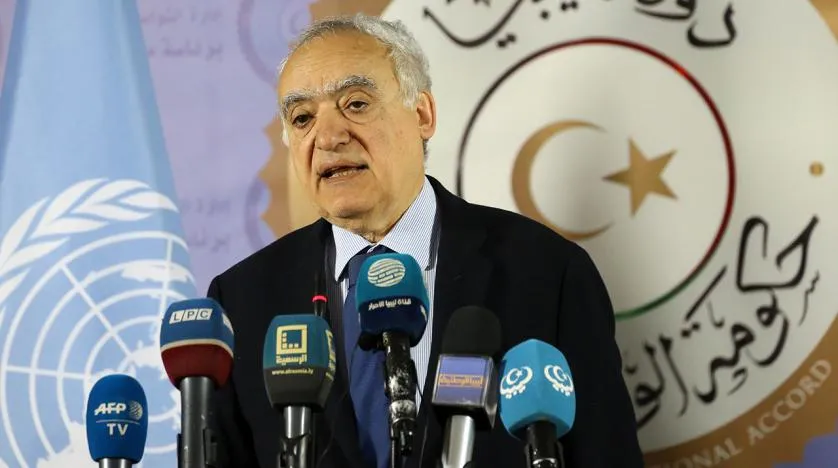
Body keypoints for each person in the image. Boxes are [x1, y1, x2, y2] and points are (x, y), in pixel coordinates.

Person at [207, 13, 644, 468]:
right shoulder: (242, 301)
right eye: (302, 118)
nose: (329, 137)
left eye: (355, 104)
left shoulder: (547, 274)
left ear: (422, 115)